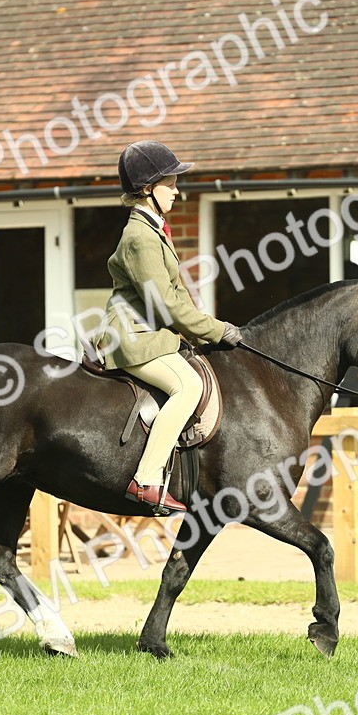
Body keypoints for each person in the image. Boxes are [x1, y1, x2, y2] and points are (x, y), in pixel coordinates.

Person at [92, 141, 243, 515]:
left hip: (152, 333)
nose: (177, 190)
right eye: (170, 183)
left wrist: (200, 330)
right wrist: (214, 329)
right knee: (188, 386)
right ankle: (146, 479)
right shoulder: (140, 237)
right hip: (132, 337)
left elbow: (176, 295)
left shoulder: (153, 229)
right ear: (147, 189)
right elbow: (165, 302)